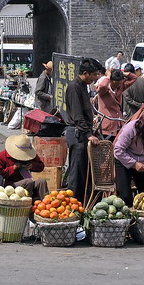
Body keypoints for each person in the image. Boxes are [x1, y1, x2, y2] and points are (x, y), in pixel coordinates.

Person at [64, 58, 102, 203]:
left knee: (85, 172)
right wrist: (88, 134)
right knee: (77, 174)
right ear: (85, 73)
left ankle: (83, 204)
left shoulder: (84, 86)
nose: (96, 77)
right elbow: (77, 115)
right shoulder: (74, 87)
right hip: (78, 134)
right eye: (94, 74)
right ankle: (74, 206)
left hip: (83, 132)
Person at [0, 134, 48, 200]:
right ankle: (26, 204)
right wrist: (12, 168)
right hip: (11, 186)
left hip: (28, 181)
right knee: (28, 182)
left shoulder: (30, 155)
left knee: (41, 181)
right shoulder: (3, 156)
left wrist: (32, 166)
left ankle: (44, 204)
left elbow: (41, 166)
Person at [95, 68, 137, 140]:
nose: (118, 85)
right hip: (106, 126)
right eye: (116, 83)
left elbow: (134, 78)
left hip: (118, 125)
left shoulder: (120, 87)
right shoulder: (104, 90)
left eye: (120, 83)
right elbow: (103, 85)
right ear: (110, 80)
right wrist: (108, 75)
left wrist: (120, 72)